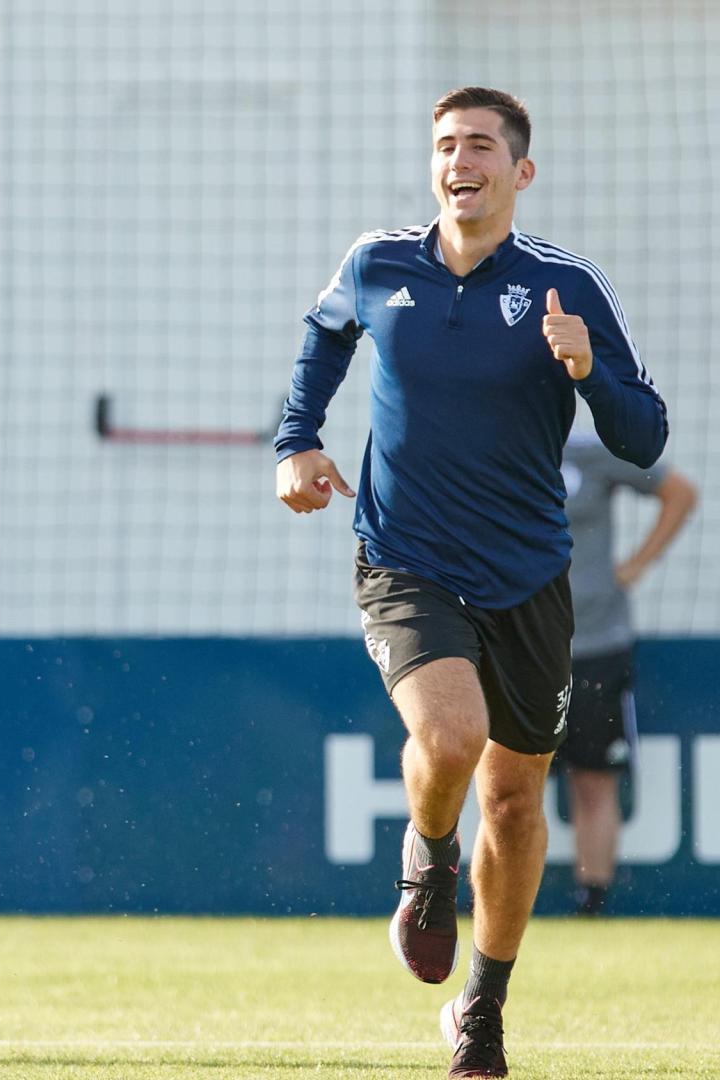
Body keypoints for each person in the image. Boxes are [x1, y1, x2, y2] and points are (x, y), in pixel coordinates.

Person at [274, 87, 666, 1078]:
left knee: (516, 804)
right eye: (447, 143)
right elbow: (325, 334)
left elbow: (647, 433)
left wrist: (587, 373)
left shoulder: (564, 285)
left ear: (519, 173)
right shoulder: (378, 264)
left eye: (482, 145)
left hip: (530, 576)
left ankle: (481, 1011)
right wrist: (297, 443)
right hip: (405, 558)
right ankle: (426, 857)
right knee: (448, 736)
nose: (462, 158)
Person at [559, 435, 696, 915]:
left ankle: (591, 903)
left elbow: (681, 492)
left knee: (594, 777)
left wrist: (637, 565)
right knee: (511, 781)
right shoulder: (500, 445)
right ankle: (503, 902)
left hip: (598, 642)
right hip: (525, 647)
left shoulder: (591, 451)